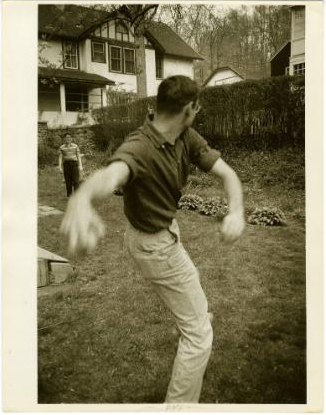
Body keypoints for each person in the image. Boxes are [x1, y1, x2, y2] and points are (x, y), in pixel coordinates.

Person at [60, 75, 245, 403]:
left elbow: (227, 174)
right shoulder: (140, 146)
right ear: (189, 109)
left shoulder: (184, 136)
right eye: (197, 108)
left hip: (165, 235)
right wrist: (82, 196)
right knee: (200, 336)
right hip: (153, 245)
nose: (197, 113)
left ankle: (193, 318)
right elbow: (113, 173)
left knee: (192, 287)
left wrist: (236, 211)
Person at [58, 133, 83, 197]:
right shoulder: (62, 147)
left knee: (76, 181)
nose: (68, 139)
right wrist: (60, 167)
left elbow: (78, 156)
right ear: (64, 139)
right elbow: (60, 157)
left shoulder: (75, 146)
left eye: (69, 137)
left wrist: (80, 166)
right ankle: (70, 196)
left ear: (71, 139)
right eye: (66, 137)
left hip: (74, 164)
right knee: (68, 182)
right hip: (66, 165)